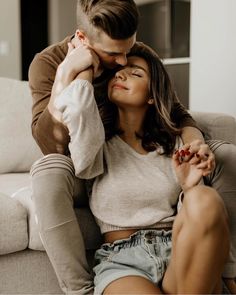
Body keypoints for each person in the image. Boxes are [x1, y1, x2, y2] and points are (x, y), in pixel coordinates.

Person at [29, 0, 236, 293]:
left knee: (211, 184)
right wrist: (68, 77)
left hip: (172, 243)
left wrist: (194, 155)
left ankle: (230, 274)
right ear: (84, 39)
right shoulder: (48, 63)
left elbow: (175, 111)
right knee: (49, 169)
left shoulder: (138, 55)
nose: (124, 63)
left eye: (130, 49)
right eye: (114, 55)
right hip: (83, 165)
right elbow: (51, 144)